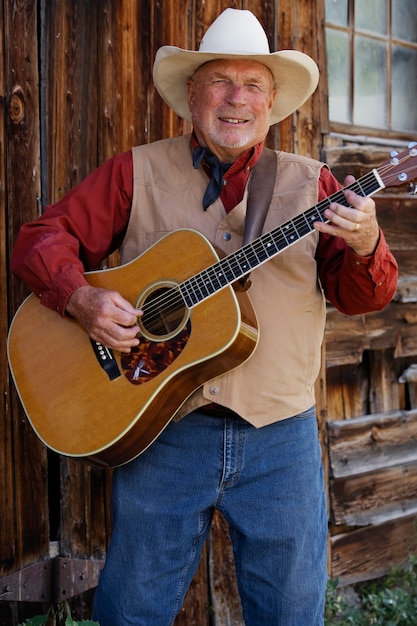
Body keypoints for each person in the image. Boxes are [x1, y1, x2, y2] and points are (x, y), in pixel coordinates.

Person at [11, 8, 398, 626]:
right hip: (162, 430)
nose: (235, 99)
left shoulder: (316, 186)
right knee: (130, 612)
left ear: (272, 102)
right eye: (220, 81)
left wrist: (365, 242)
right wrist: (81, 300)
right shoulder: (134, 171)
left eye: (253, 85)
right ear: (192, 94)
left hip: (281, 439)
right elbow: (40, 239)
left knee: (292, 615)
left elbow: (362, 297)